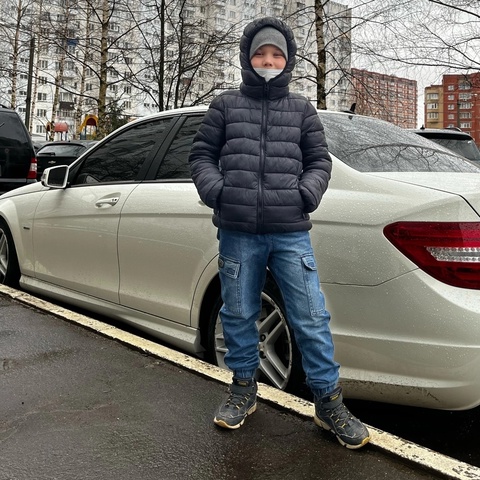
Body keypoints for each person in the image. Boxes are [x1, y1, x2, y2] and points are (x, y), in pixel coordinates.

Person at [188, 16, 370, 450]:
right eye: (260, 54)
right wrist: (218, 192)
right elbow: (201, 156)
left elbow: (319, 161)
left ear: (286, 61)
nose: (268, 61)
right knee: (238, 313)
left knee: (310, 316)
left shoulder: (301, 110)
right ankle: (243, 389)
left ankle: (328, 402)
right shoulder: (226, 106)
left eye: (276, 55)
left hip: (290, 232)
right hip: (238, 233)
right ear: (247, 58)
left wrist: (305, 195)